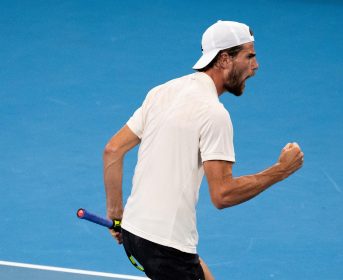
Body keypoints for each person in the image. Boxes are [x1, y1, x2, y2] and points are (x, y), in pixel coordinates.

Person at [103, 20, 304, 280]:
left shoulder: (162, 92)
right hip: (166, 247)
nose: (256, 66)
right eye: (249, 56)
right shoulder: (214, 114)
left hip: (134, 232)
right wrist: (281, 170)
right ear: (224, 59)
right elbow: (223, 195)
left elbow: (113, 150)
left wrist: (117, 216)